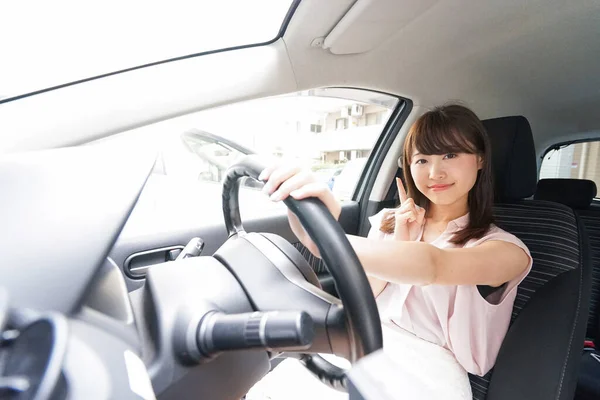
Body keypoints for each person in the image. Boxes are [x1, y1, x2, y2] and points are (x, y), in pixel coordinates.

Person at [245, 104, 532, 399]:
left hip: (429, 371)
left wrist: (325, 240)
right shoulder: (389, 222)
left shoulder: (506, 250)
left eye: (451, 154)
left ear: (481, 159)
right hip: (361, 343)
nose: (435, 172)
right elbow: (364, 298)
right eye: (421, 159)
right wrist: (398, 240)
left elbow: (433, 266)